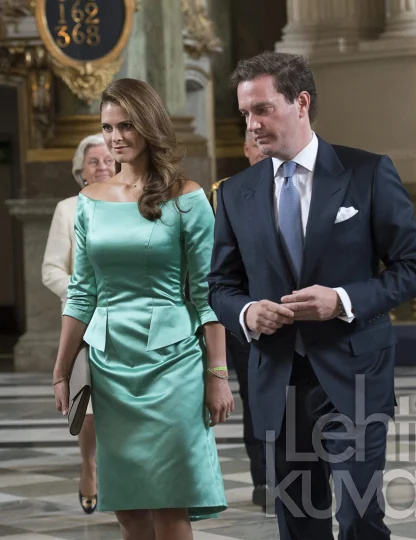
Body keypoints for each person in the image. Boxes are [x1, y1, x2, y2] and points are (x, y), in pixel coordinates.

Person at [208, 51, 416, 540]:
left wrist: (343, 300)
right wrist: (246, 311)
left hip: (354, 376)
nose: (251, 124)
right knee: (300, 523)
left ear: (301, 102)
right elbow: (220, 286)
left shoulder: (367, 173)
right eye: (245, 113)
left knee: (358, 517)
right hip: (279, 382)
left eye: (262, 109)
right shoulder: (235, 193)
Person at [52, 77, 232, 540]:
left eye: (126, 125)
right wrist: (61, 370)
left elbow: (209, 292)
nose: (115, 137)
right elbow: (81, 292)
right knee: (129, 509)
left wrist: (217, 373)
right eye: (108, 127)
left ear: (149, 125)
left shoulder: (187, 197)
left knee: (170, 504)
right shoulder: (89, 202)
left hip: (172, 366)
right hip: (110, 367)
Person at [42, 133, 115, 514]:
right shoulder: (68, 209)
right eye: (93, 162)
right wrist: (79, 293)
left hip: (124, 319)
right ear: (80, 170)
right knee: (85, 405)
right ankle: (90, 465)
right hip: (83, 322)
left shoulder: (129, 203)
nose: (102, 166)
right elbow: (50, 268)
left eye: (107, 159)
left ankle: (119, 473)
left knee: (119, 404)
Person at [209, 131, 268, 509]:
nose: (262, 150)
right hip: (244, 317)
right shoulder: (225, 192)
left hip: (299, 312)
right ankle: (265, 480)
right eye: (254, 145)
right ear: (245, 150)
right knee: (257, 399)